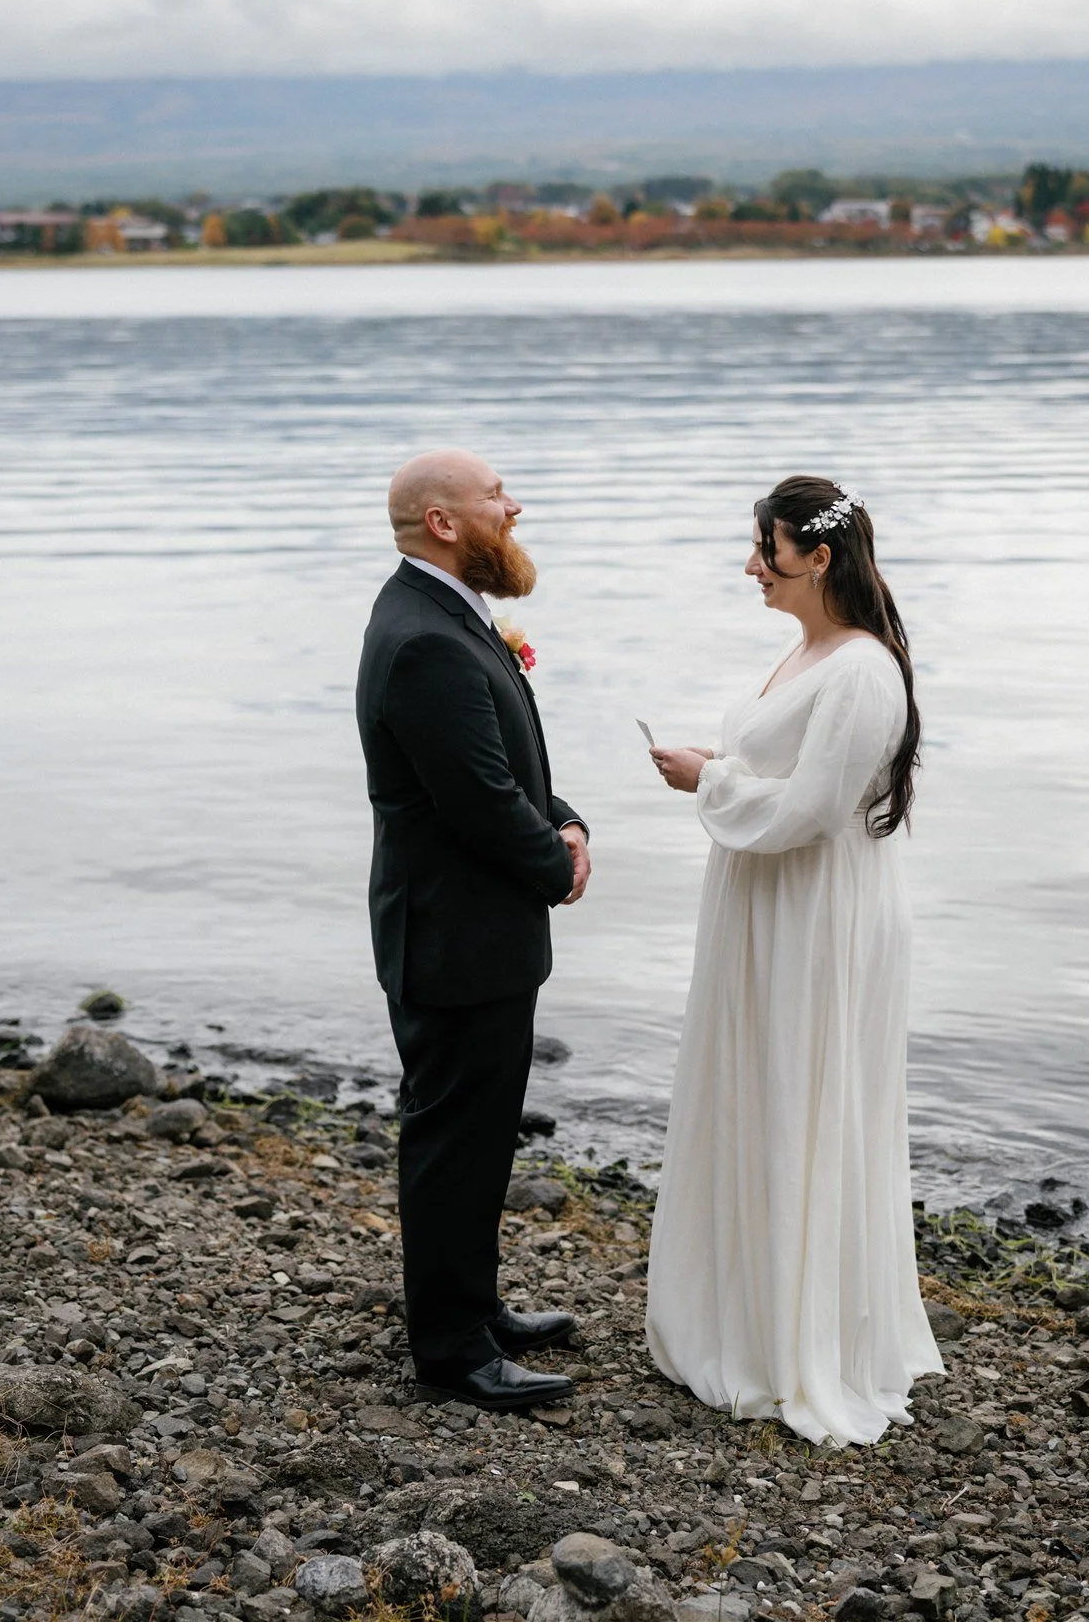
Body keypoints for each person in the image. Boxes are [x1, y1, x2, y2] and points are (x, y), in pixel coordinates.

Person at [644, 476, 943, 1445]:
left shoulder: (863, 669)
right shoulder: (806, 650)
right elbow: (788, 778)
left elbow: (813, 810)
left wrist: (710, 777)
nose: (750, 565)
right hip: (766, 902)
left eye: (764, 549)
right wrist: (721, 770)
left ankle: (800, 1342)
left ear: (817, 557)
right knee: (754, 1094)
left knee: (801, 1098)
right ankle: (744, 1313)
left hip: (816, 915)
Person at [356, 448, 591, 1411]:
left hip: (471, 933)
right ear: (445, 522)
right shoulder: (422, 638)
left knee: (482, 1134)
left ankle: (475, 1307)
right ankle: (452, 1352)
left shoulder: (446, 615)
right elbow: (480, 800)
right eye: (497, 496)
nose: (515, 505)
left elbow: (503, 761)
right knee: (453, 1141)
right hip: (454, 939)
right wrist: (555, 862)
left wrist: (564, 815)